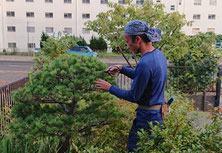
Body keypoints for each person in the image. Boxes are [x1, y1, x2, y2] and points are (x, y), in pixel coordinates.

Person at [95, 20, 167, 152]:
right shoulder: (158, 55)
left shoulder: (145, 62)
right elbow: (143, 78)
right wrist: (122, 68)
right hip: (157, 114)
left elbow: (133, 96)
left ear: (138, 39)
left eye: (127, 41)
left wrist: (109, 87)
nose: (127, 46)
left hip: (147, 118)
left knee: (135, 149)